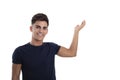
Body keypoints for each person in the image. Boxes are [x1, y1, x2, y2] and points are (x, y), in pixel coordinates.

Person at [12, 13, 86, 80]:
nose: (41, 31)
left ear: (47, 31)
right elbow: (15, 77)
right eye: (38, 27)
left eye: (44, 28)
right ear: (31, 28)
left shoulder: (51, 47)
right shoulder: (19, 52)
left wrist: (76, 32)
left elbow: (72, 53)